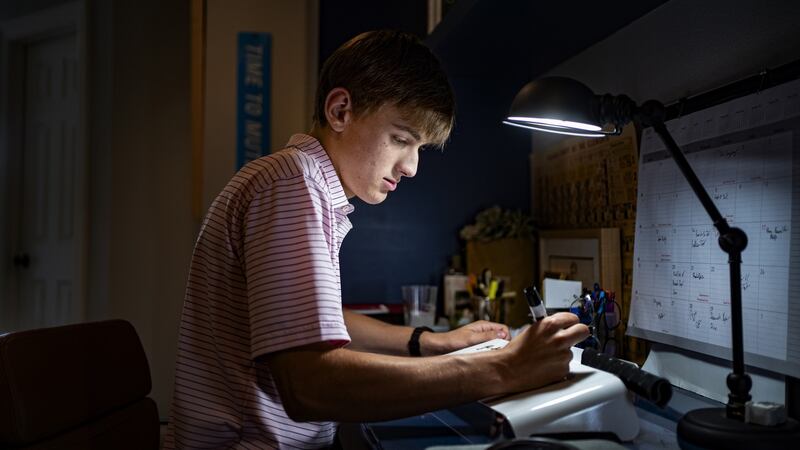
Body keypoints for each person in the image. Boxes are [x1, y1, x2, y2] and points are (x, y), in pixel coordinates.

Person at [163, 30, 589, 449]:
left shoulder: (298, 182)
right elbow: (310, 385)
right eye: (401, 139)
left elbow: (311, 318)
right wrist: (502, 368)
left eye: (419, 147)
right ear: (341, 111)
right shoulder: (293, 184)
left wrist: (427, 342)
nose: (411, 167)